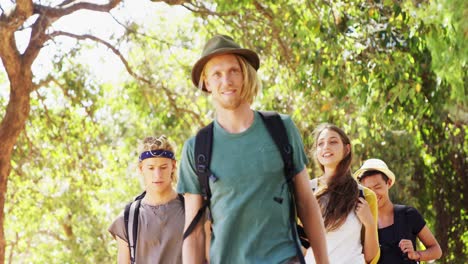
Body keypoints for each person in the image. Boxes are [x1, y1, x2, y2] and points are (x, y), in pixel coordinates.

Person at [177, 34, 329, 264]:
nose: (226, 80)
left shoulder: (281, 129)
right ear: (207, 83)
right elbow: (194, 232)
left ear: (245, 75)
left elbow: (306, 203)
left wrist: (324, 261)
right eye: (216, 74)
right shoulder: (197, 149)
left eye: (233, 71)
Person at [305, 123, 380, 264]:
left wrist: (369, 223)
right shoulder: (306, 191)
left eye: (333, 142)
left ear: (346, 149)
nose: (326, 147)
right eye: (320, 144)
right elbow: (298, 245)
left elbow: (371, 258)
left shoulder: (364, 195)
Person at [108, 135, 184, 264]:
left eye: (163, 167)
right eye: (151, 168)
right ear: (141, 168)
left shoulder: (193, 210)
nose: (157, 175)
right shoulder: (127, 219)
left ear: (173, 166)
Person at [355, 158, 442, 263]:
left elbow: (436, 250)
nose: (373, 194)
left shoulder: (408, 214)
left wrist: (416, 254)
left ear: (389, 183)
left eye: (377, 187)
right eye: (368, 190)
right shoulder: (358, 222)